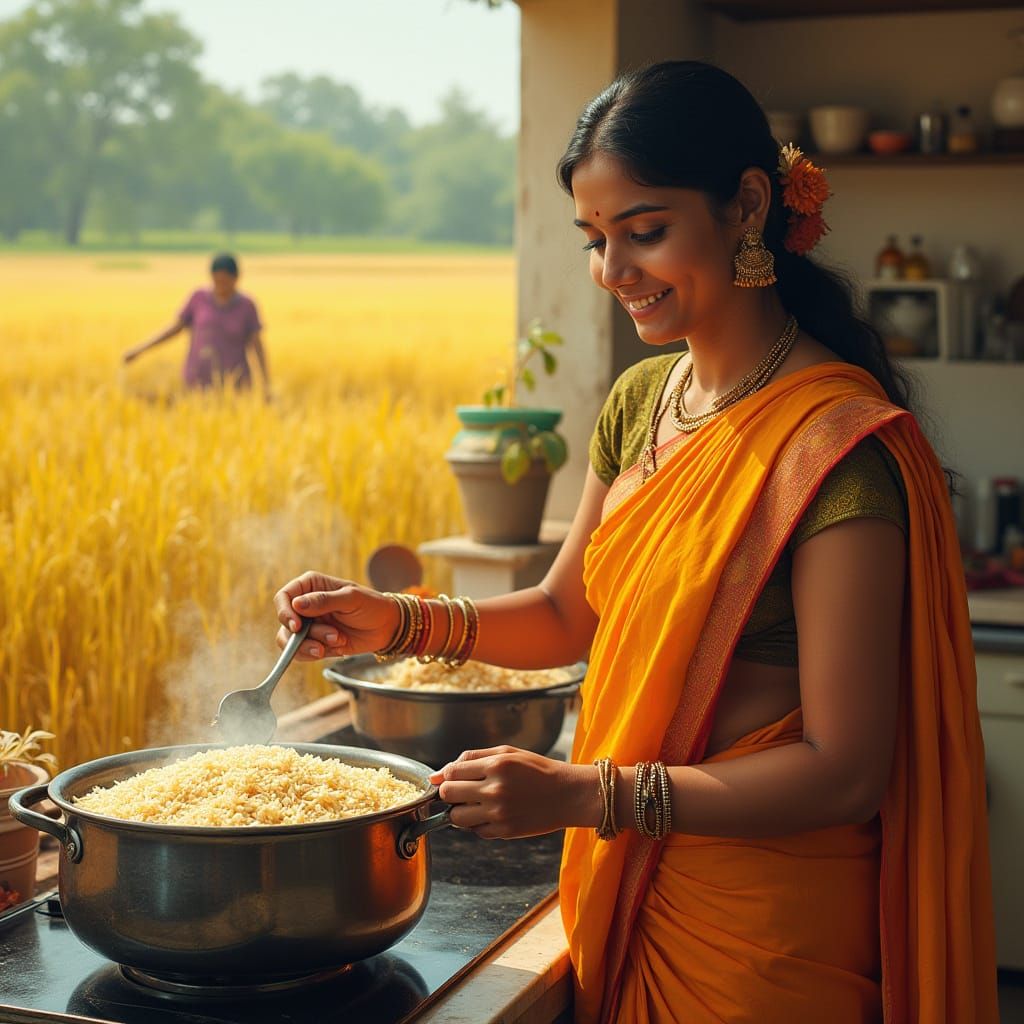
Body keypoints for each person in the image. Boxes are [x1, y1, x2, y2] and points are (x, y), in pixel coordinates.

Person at [271, 62, 997, 1023]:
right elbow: (568, 615)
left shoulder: (835, 452)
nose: (614, 273)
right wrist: (392, 621)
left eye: (645, 232)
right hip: (628, 885)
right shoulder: (643, 403)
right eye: (595, 239)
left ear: (746, 206)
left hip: (766, 938)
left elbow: (845, 767)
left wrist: (583, 795)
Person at [122, 253, 271, 398]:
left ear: (236, 278)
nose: (221, 286)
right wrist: (140, 349)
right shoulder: (198, 298)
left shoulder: (247, 305)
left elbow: (257, 345)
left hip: (235, 384)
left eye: (225, 281)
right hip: (197, 379)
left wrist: (266, 383)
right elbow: (175, 328)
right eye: (217, 280)